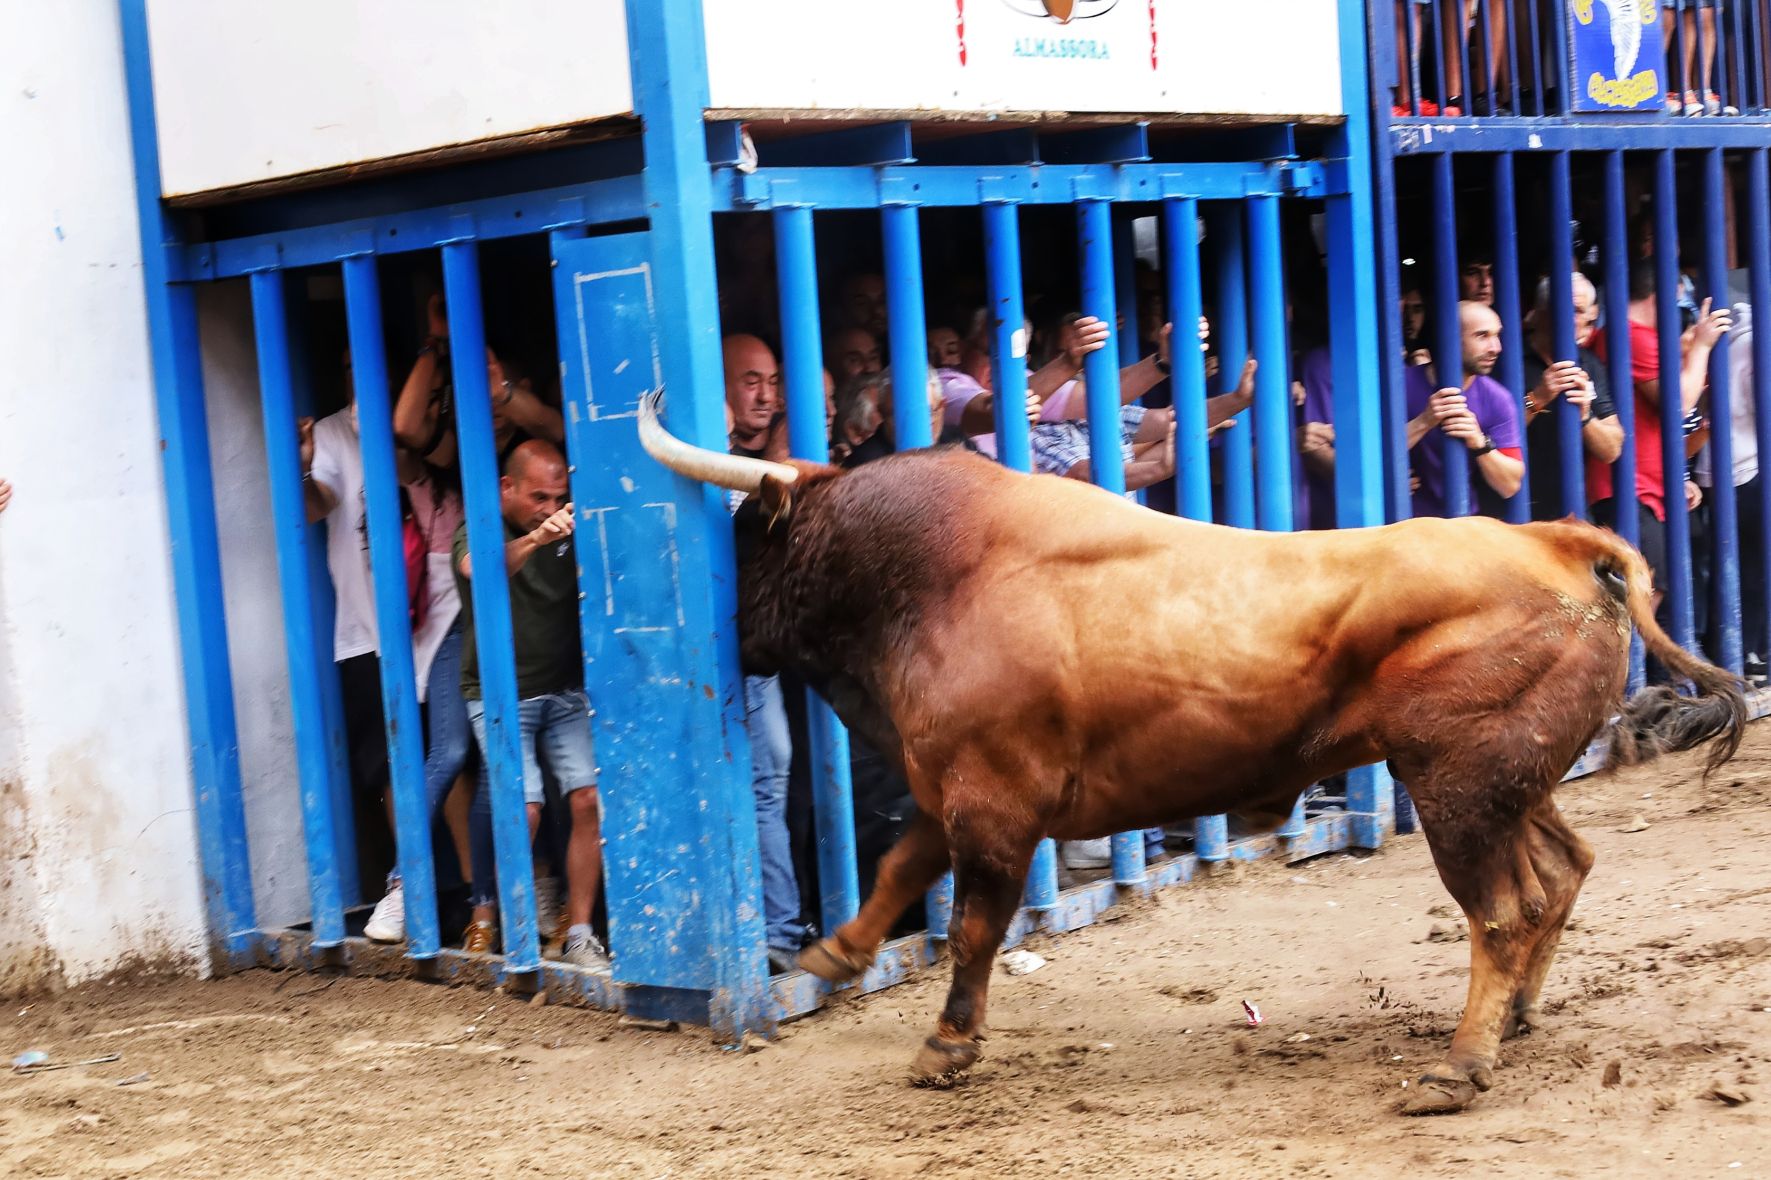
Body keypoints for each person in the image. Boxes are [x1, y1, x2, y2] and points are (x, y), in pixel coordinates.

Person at [452, 441, 608, 968]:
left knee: (589, 801)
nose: (550, 507)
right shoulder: (481, 522)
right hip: (501, 694)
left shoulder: (576, 523)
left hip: (563, 689)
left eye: (558, 496)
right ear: (506, 488)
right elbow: (480, 570)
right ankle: (514, 934)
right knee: (526, 810)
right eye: (538, 496)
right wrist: (539, 538)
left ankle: (580, 931)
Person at [1589, 258, 1732, 649]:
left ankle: (1632, 679)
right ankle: (1617, 681)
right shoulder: (1633, 336)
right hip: (1630, 485)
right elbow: (1677, 404)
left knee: (1650, 586)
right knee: (1644, 589)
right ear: (1662, 295)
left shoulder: (1618, 334)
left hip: (1643, 483)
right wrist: (1702, 345)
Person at [723, 334, 805, 972]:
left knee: (769, 779)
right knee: (758, 784)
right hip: (699, 660)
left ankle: (777, 931)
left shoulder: (762, 464)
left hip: (751, 659)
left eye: (772, 381)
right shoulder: (699, 463)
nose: (766, 393)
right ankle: (769, 933)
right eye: (750, 380)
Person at [1403, 301, 1525, 518]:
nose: (1496, 347)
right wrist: (1424, 421)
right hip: (1399, 525)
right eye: (1482, 336)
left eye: (1497, 335)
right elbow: (1366, 459)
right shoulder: (1399, 386)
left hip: (1461, 525)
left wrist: (1479, 443)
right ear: (1451, 339)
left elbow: (1510, 485)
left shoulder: (1498, 398)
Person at [1520, 273, 1624, 521]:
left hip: (1570, 512)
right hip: (1513, 513)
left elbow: (1612, 449)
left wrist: (1585, 416)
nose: (1570, 319)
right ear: (1540, 312)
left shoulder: (1588, 363)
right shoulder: (1508, 359)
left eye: (1578, 311)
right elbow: (1487, 438)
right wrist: (1537, 399)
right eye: (1562, 308)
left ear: (1590, 316)